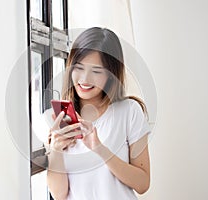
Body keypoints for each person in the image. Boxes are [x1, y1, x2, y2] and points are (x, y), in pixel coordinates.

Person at [46, 27, 151, 200]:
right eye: (78, 68)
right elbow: (59, 195)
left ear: (111, 74)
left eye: (96, 71)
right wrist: (55, 150)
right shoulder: (60, 117)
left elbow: (143, 184)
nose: (85, 79)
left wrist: (99, 149)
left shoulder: (129, 111)